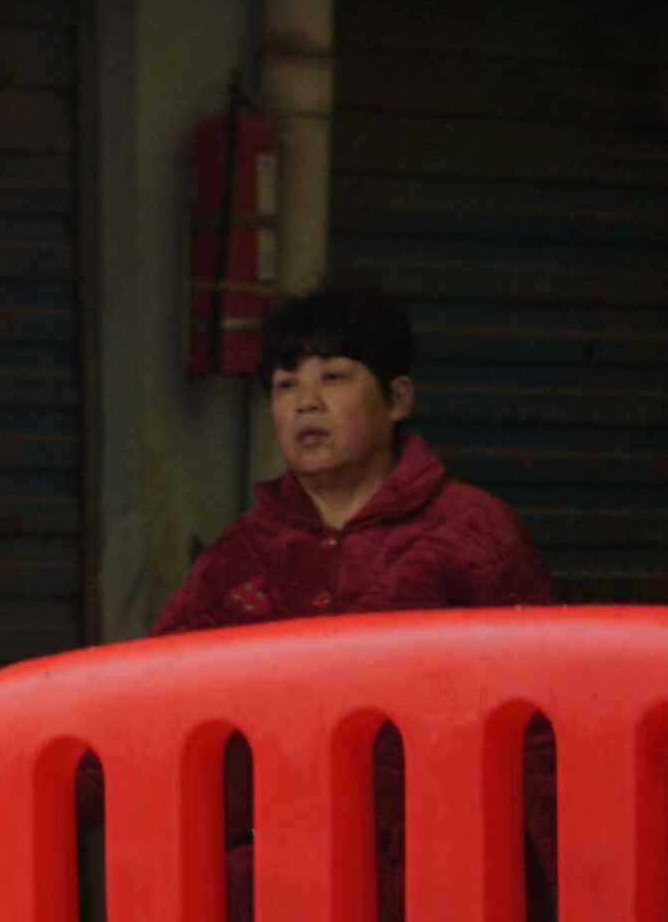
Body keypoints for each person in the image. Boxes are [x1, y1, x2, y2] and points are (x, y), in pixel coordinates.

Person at [125, 281, 560, 921]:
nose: (306, 402)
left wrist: (586, 890)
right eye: (285, 385)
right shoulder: (239, 558)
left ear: (398, 398)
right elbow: (139, 711)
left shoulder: (474, 535)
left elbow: (546, 738)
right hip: (275, 894)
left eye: (333, 376)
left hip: (442, 890)